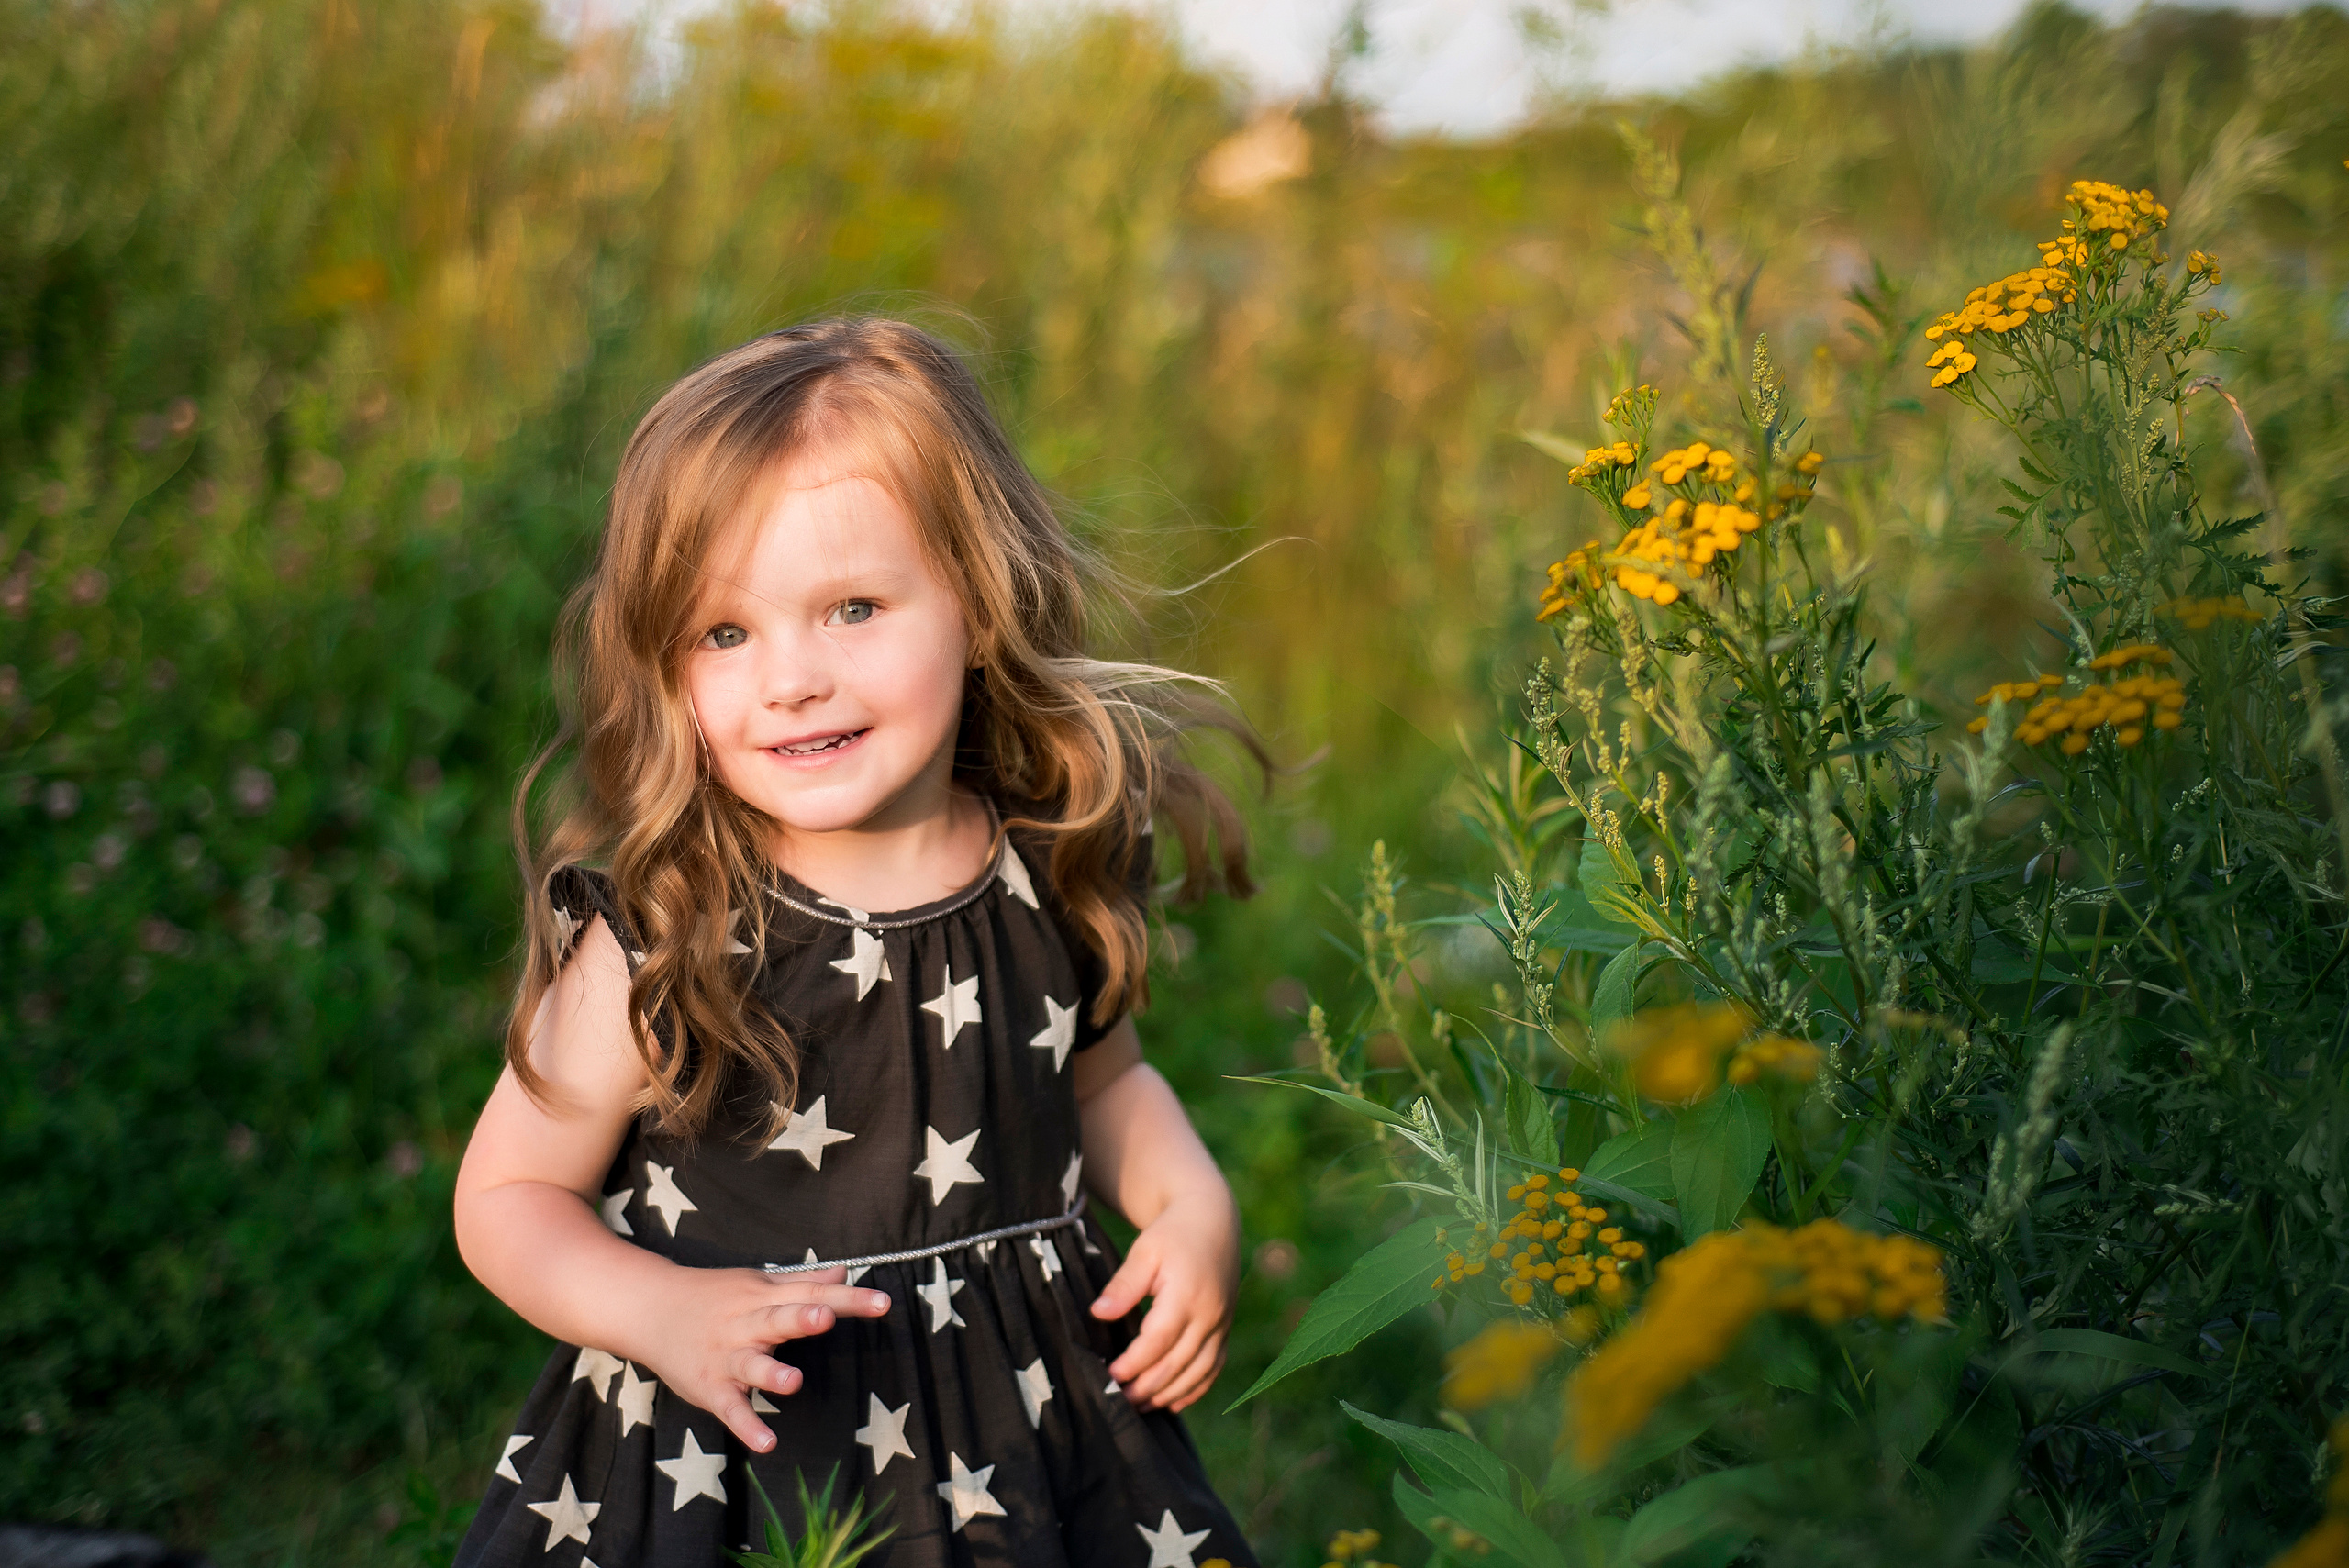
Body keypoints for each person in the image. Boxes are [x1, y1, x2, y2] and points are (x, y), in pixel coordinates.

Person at [450, 318, 1260, 1566]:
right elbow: (508, 1197)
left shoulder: (1040, 868)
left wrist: (1189, 1204)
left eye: (854, 609)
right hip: (736, 1458)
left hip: (1022, 1428)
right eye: (726, 633)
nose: (790, 680)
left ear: (981, 606)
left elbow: (1107, 1083)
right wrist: (660, 1310)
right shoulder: (671, 930)